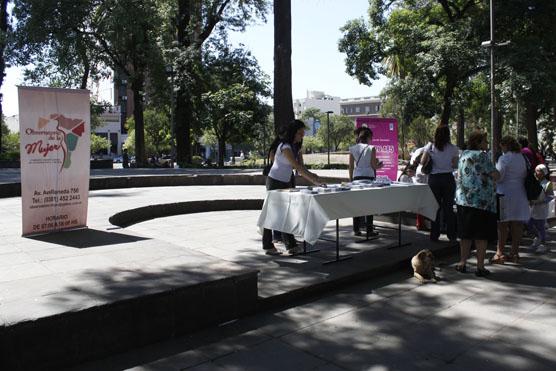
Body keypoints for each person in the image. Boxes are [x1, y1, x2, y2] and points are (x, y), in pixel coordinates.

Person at [262, 119, 322, 255]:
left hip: (284, 181)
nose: (302, 136)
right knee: (273, 213)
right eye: (300, 133)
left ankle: (289, 245)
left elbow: (300, 166)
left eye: (303, 133)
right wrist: (314, 180)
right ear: (293, 133)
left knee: (284, 213)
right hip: (275, 181)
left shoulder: (293, 146)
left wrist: (312, 174)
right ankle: (274, 245)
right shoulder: (285, 147)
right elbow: (297, 168)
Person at [454, 131, 499, 277]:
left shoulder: (464, 154)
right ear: (478, 142)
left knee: (465, 234)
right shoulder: (482, 156)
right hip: (481, 201)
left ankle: (462, 262)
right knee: (481, 235)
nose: (487, 144)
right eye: (485, 141)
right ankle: (480, 267)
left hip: (463, 199)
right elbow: (495, 174)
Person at [491, 136, 530, 264]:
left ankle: (500, 253)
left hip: (505, 193)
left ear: (505, 145)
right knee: (517, 224)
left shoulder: (504, 158)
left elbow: (499, 177)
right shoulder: (522, 157)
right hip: (520, 193)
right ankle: (514, 253)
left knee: (502, 224)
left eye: (501, 146)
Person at [420, 126, 459, 242]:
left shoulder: (430, 147)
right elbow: (455, 165)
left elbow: (422, 162)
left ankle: (434, 234)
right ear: (448, 135)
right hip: (448, 179)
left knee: (435, 207)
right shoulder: (453, 148)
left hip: (434, 179)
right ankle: (451, 235)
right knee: (448, 209)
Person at [348, 126, 382, 236]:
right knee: (370, 203)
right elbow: (373, 166)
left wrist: (351, 180)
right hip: (368, 178)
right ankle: (369, 229)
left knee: (356, 204)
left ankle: (356, 229)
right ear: (368, 137)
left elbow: (351, 167)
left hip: (357, 178)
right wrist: (380, 165)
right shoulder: (371, 148)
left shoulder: (352, 148)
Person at [527, 164, 553, 253]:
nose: (536, 172)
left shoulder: (547, 184)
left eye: (538, 171)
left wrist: (540, 202)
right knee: (529, 224)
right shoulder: (533, 182)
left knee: (541, 227)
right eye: (536, 170)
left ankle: (543, 244)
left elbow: (550, 196)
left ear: (543, 173)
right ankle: (537, 237)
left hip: (541, 209)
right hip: (532, 208)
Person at [410, 143, 431, 230]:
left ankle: (420, 224)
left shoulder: (418, 167)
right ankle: (421, 224)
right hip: (422, 190)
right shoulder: (422, 169)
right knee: (423, 209)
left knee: (420, 208)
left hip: (418, 190)